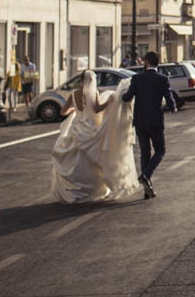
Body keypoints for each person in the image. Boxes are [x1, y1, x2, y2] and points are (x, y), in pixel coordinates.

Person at [51, 69, 137, 203]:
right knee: (95, 159)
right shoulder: (94, 93)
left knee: (78, 158)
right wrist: (108, 102)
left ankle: (80, 187)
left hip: (77, 127)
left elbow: (63, 112)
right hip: (91, 127)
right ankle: (93, 188)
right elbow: (97, 109)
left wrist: (75, 110)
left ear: (80, 81)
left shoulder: (74, 94)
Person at [121, 51, 176, 200]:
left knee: (145, 151)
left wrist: (120, 96)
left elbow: (127, 97)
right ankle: (146, 175)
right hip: (155, 121)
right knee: (160, 150)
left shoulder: (137, 78)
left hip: (139, 121)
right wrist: (173, 107)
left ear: (146, 62)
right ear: (158, 63)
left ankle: (147, 189)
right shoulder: (163, 79)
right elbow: (168, 97)